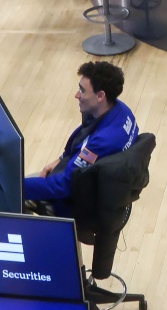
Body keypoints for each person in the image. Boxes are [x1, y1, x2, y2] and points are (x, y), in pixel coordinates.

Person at [22, 60, 139, 218]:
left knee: (15, 195)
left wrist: (16, 186)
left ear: (100, 96)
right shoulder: (122, 110)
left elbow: (63, 186)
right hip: (104, 186)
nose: (77, 95)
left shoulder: (102, 142)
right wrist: (62, 158)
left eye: (82, 91)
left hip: (85, 204)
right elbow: (84, 133)